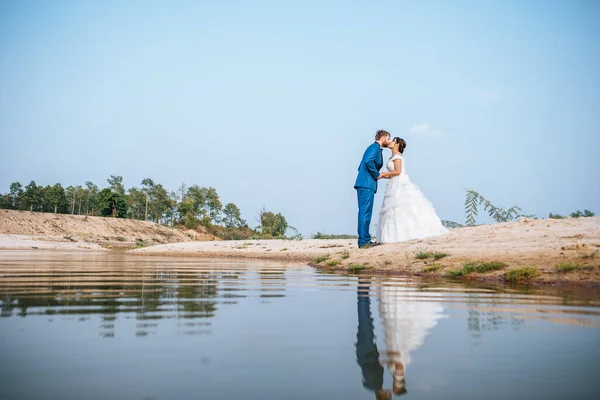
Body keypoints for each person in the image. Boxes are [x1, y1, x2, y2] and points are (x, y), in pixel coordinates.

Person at [378, 279, 446, 395]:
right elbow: (397, 358)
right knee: (396, 322)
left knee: (393, 320)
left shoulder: (394, 370)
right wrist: (383, 358)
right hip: (397, 342)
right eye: (396, 386)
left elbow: (393, 356)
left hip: (394, 342)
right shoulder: (398, 372)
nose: (394, 385)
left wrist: (384, 358)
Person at [376, 137, 448, 243]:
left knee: (402, 207)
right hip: (393, 183)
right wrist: (382, 176)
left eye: (393, 141)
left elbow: (397, 172)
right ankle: (394, 235)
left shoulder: (397, 157)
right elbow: (392, 174)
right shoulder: (393, 157)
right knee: (393, 210)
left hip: (400, 184)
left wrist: (384, 173)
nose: (390, 142)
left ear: (396, 145)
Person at [355, 279, 392, 400]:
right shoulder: (374, 384)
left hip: (366, 349)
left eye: (388, 395)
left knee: (365, 317)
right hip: (365, 350)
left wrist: (380, 357)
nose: (389, 392)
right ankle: (364, 287)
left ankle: (363, 285)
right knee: (366, 318)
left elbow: (370, 365)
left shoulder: (375, 383)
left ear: (383, 396)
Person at [354, 130, 391, 248]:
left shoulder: (374, 148)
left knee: (365, 212)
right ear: (383, 138)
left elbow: (361, 165)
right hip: (366, 184)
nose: (389, 141)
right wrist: (376, 174)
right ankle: (364, 241)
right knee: (365, 212)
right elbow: (367, 161)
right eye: (388, 139)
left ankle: (364, 240)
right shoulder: (374, 147)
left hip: (365, 183)